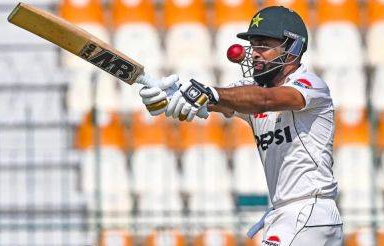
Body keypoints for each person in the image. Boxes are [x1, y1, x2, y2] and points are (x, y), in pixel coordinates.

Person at [136, 6, 343, 246]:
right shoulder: (252, 91)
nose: (254, 53)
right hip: (296, 216)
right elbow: (216, 101)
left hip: (307, 211)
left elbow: (263, 100)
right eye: (253, 45)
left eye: (264, 45)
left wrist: (210, 94)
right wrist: (171, 95)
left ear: (292, 49)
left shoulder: (311, 85)